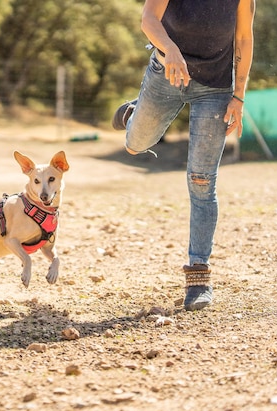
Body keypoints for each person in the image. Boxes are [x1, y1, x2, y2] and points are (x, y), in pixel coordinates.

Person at [112, 0, 255, 311]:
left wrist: (238, 96)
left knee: (202, 181)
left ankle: (198, 277)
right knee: (136, 144)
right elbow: (149, 18)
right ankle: (133, 115)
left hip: (214, 89)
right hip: (166, 74)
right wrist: (169, 48)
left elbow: (244, 38)